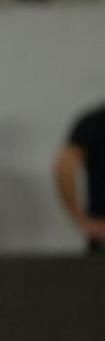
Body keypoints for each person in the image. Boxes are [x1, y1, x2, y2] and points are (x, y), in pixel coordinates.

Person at [55, 100, 105, 254]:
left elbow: (65, 165)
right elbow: (65, 166)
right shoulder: (95, 122)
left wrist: (80, 218)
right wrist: (81, 219)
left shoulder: (94, 121)